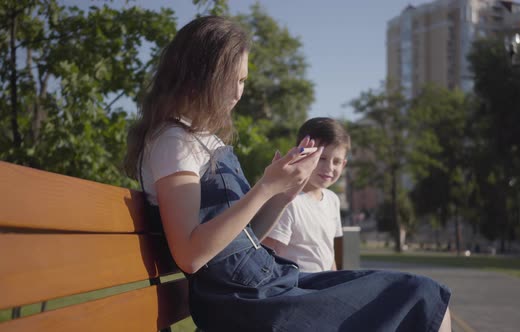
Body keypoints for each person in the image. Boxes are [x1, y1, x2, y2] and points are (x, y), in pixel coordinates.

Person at [125, 15, 452, 332]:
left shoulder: (201, 140)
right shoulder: (174, 142)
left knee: (421, 294)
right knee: (418, 298)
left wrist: (284, 193)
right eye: (235, 79)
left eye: (243, 81)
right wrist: (265, 187)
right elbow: (191, 255)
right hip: (244, 303)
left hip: (265, 283)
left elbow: (245, 236)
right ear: (204, 74)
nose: (239, 93)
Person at [262, 117, 349, 272]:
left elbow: (328, 254)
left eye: (336, 162)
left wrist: (334, 282)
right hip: (296, 288)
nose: (329, 168)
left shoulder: (333, 200)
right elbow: (270, 255)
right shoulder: (287, 201)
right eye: (322, 158)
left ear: (344, 164)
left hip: (322, 287)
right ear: (303, 154)